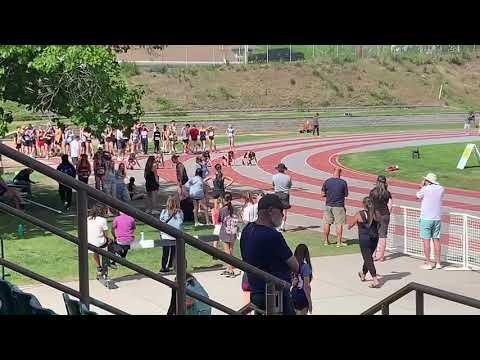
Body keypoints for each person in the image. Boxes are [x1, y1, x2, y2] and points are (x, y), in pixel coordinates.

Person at [240, 194, 299, 315]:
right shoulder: (273, 235)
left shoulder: (247, 229)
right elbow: (295, 265)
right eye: (281, 211)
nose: (283, 215)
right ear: (271, 210)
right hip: (276, 296)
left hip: (257, 293)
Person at [348, 197, 380, 288]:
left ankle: (375, 279)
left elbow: (350, 225)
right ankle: (363, 273)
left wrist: (351, 225)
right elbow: (380, 224)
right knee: (368, 257)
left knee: (368, 258)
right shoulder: (376, 214)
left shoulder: (360, 214)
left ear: (363, 204)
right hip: (374, 237)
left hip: (364, 239)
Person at [416, 173, 445, 270]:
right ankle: (438, 262)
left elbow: (417, 196)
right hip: (437, 218)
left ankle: (428, 263)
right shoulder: (441, 188)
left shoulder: (425, 189)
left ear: (428, 181)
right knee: (436, 239)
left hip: (426, 218)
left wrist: (422, 186)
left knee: (426, 240)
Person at [321, 168, 349, 247]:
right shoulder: (343, 182)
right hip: (339, 206)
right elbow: (346, 194)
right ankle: (338, 242)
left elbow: (322, 194)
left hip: (328, 205)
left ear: (333, 172)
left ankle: (326, 241)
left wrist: (328, 195)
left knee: (327, 223)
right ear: (340, 173)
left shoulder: (327, 181)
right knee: (339, 224)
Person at [369, 175, 392, 262]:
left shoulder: (373, 192)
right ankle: (381, 256)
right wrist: (387, 213)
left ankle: (374, 255)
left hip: (375, 214)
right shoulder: (387, 193)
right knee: (383, 236)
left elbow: (370, 204)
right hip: (385, 214)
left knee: (374, 235)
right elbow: (390, 205)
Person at [159, 196, 184, 273]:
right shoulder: (179, 212)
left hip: (165, 235)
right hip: (175, 234)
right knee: (174, 251)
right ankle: (172, 265)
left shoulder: (164, 212)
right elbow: (181, 222)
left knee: (165, 252)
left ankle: (164, 267)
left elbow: (160, 222)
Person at [219, 192, 239, 277]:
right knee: (231, 250)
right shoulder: (235, 209)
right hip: (233, 231)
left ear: (224, 199)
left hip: (225, 231)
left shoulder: (222, 210)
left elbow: (219, 220)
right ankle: (228, 268)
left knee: (226, 251)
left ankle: (230, 269)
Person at [87, 206, 111, 277]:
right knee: (109, 243)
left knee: (95, 251)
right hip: (100, 242)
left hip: (89, 242)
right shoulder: (103, 220)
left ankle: (99, 267)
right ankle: (108, 263)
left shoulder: (88, 219)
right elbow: (106, 234)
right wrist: (109, 239)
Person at [290, 244, 313, 314]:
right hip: (302, 296)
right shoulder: (305, 267)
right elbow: (306, 287)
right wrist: (309, 302)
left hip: (293, 294)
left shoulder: (292, 265)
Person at [272, 163, 292, 232]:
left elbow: (273, 185)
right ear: (284, 170)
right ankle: (282, 226)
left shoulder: (274, 176)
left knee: (277, 210)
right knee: (285, 210)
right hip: (285, 194)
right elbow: (289, 186)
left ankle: (276, 225)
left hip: (277, 194)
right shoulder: (288, 177)